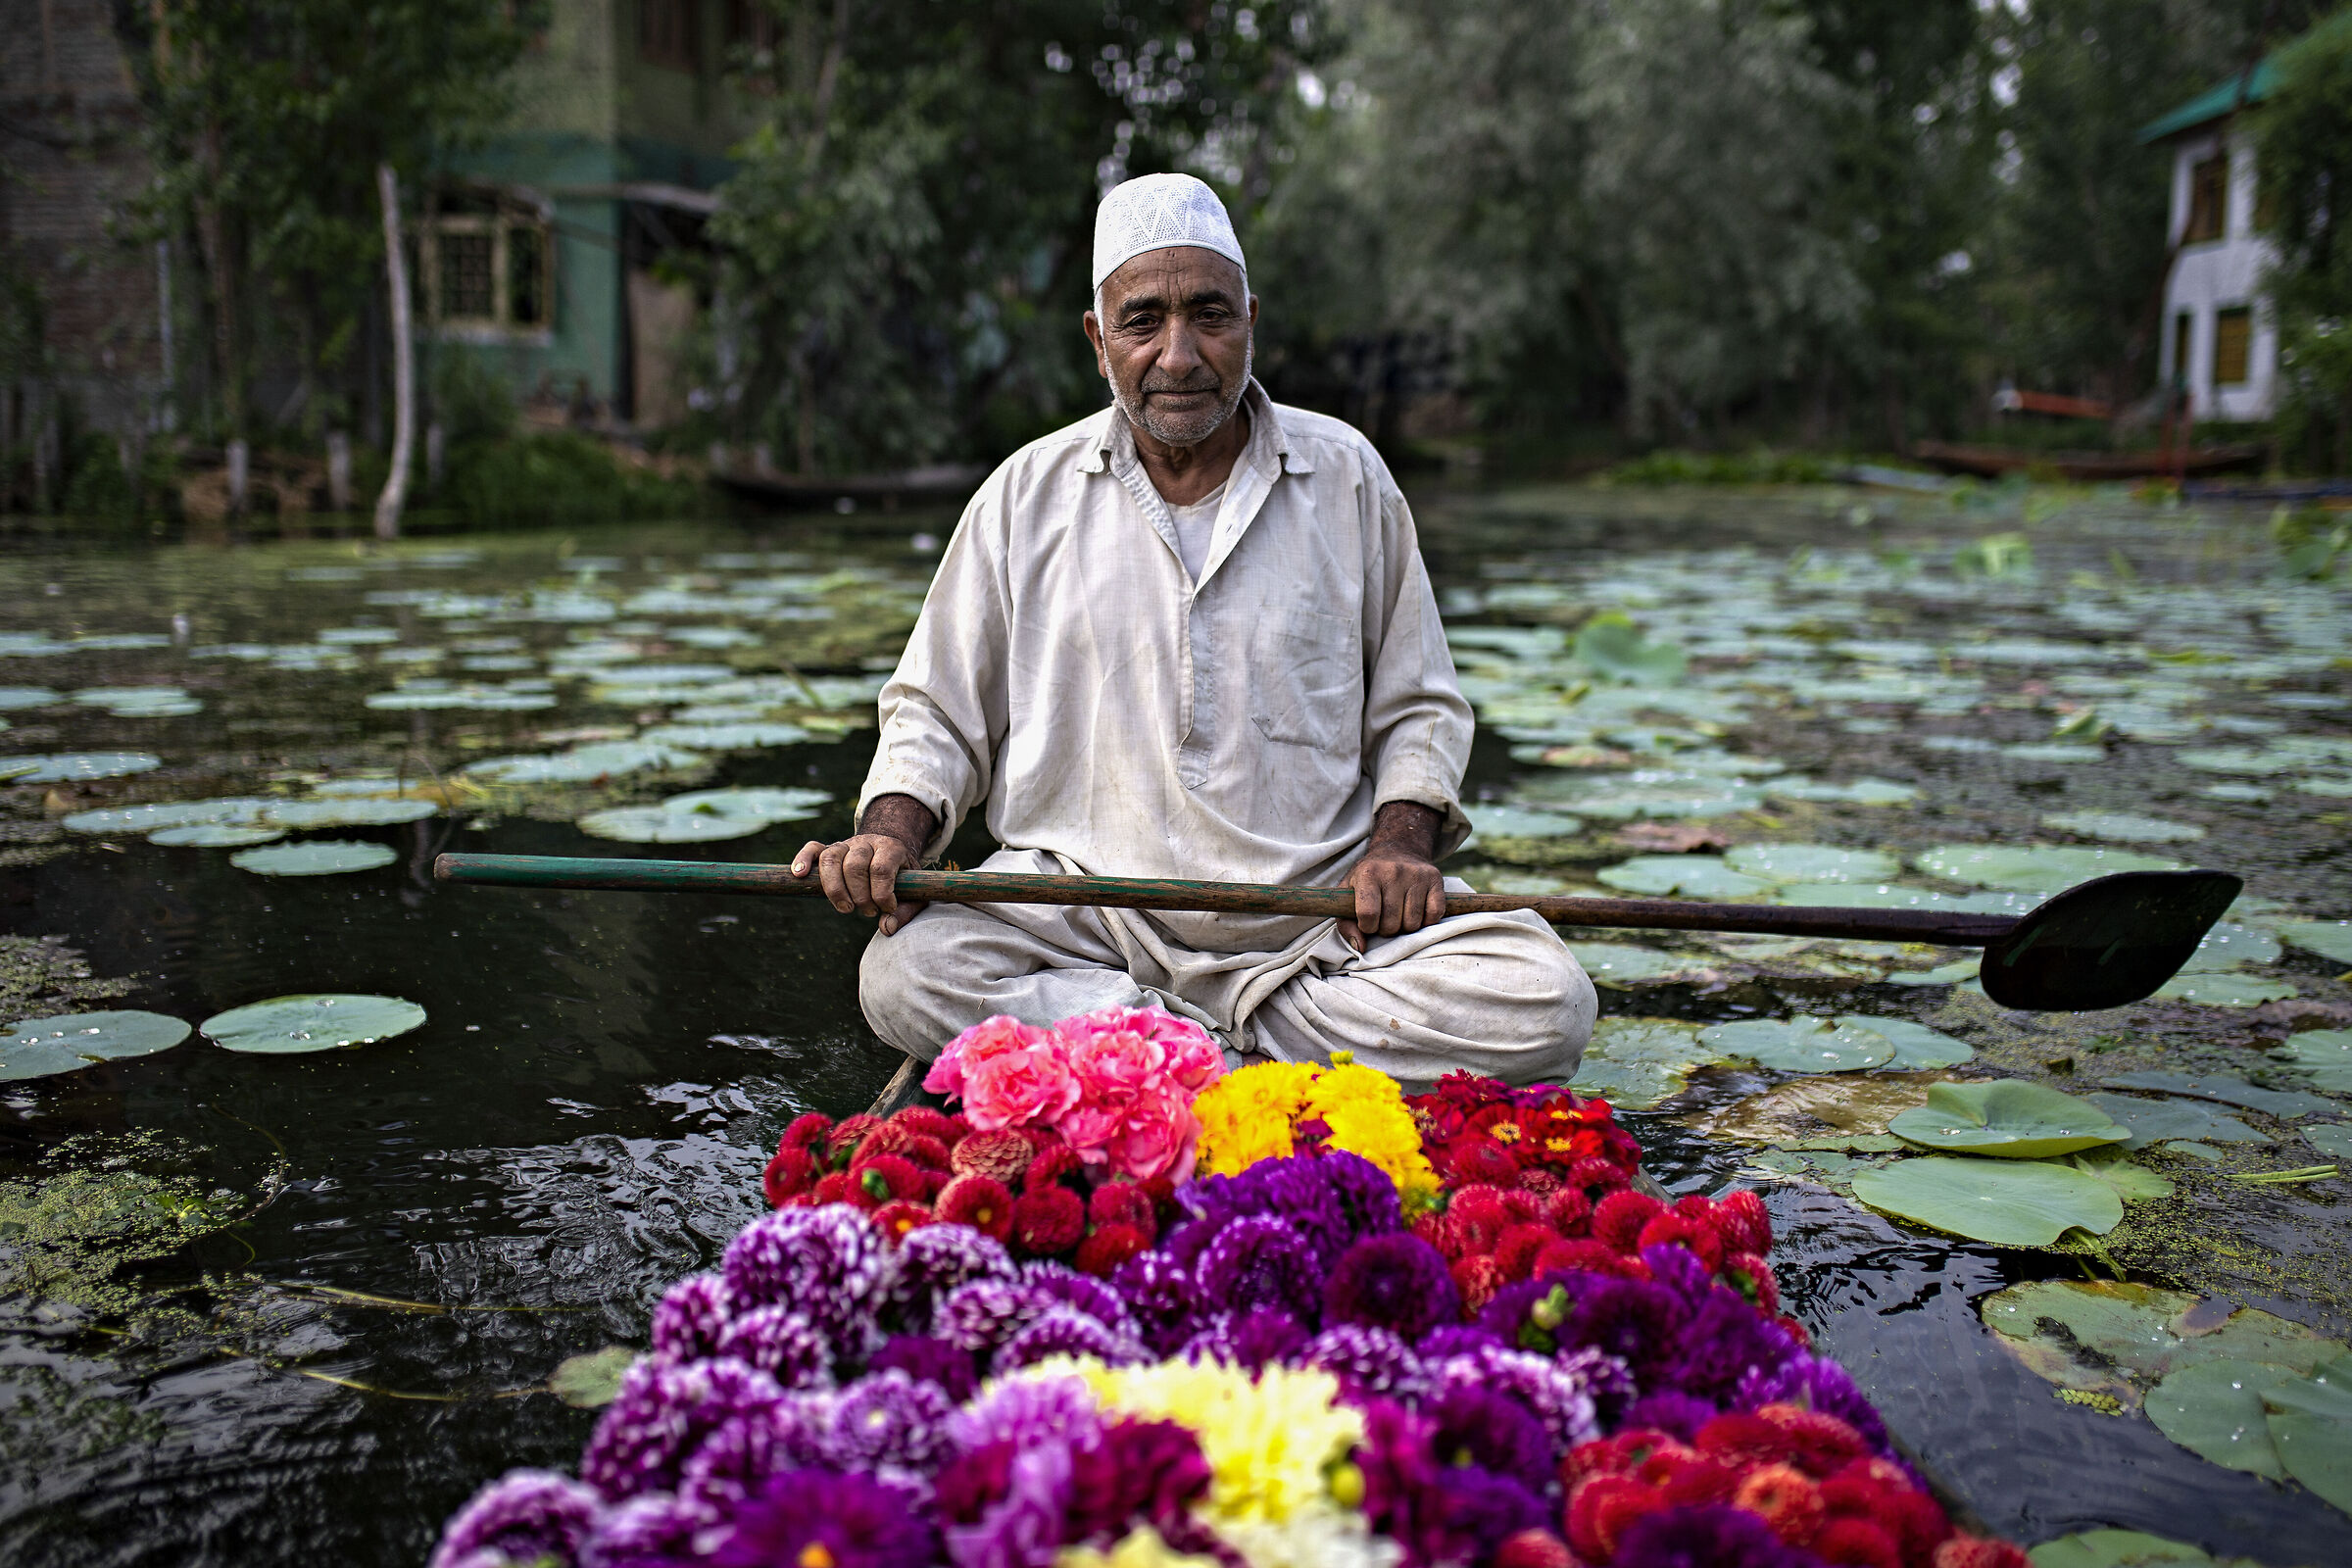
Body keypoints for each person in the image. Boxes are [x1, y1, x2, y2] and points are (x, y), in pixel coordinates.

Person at [791, 172, 1593, 1085]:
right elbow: (937, 716)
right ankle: (1228, 1051)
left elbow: (1418, 706)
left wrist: (1399, 845)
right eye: (1143, 321)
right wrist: (890, 835)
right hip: (1084, 918)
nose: (1178, 355)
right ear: (1100, 341)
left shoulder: (1347, 477)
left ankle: (1161, 1057)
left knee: (1546, 997)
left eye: (1208, 314)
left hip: (1316, 923)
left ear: (1251, 319)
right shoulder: (1023, 494)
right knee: (906, 975)